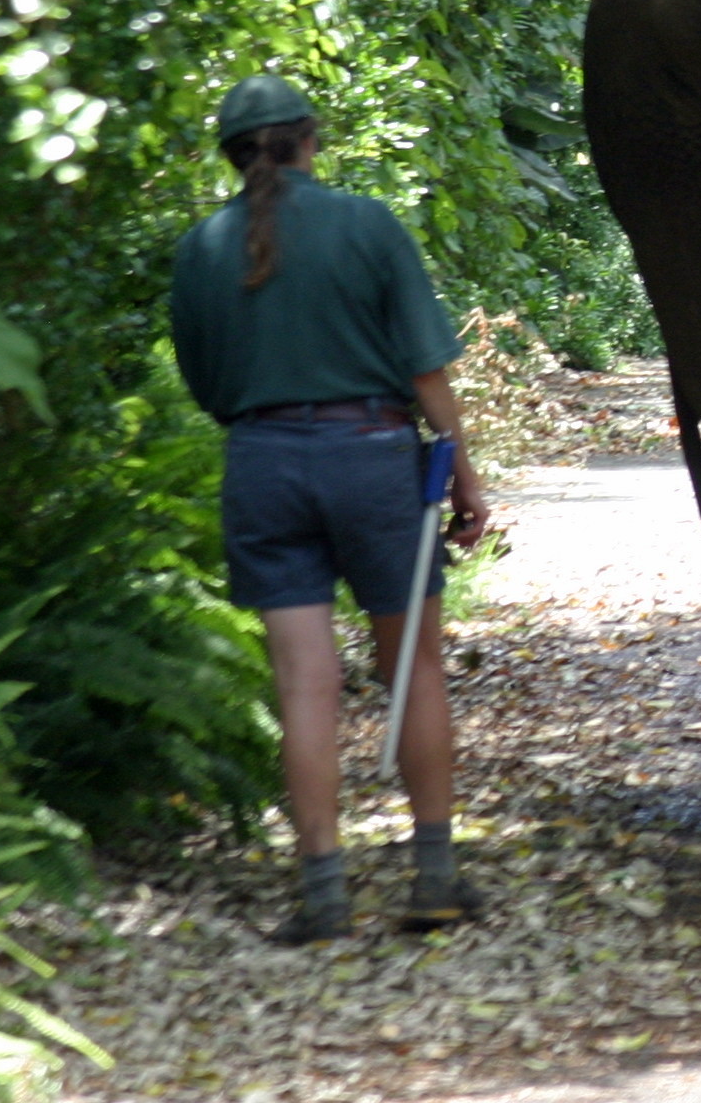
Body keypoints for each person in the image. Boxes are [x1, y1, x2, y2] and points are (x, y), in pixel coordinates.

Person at [171, 76, 493, 944]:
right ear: (312, 139)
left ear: (233, 156)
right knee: (412, 670)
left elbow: (208, 387)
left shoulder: (202, 247)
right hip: (375, 460)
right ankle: (433, 879)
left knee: (301, 684)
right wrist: (462, 473)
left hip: (263, 465)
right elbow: (427, 370)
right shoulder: (368, 225)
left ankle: (323, 896)